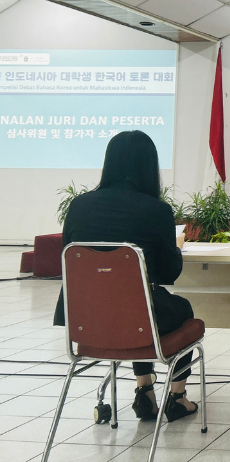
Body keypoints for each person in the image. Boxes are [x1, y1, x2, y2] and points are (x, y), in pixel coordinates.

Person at [54, 130, 198, 423]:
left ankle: (144, 390)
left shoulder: (78, 206)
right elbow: (169, 274)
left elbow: (70, 260)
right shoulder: (156, 210)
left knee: (141, 308)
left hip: (84, 319)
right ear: (149, 167)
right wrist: (175, 247)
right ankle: (177, 397)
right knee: (176, 309)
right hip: (137, 318)